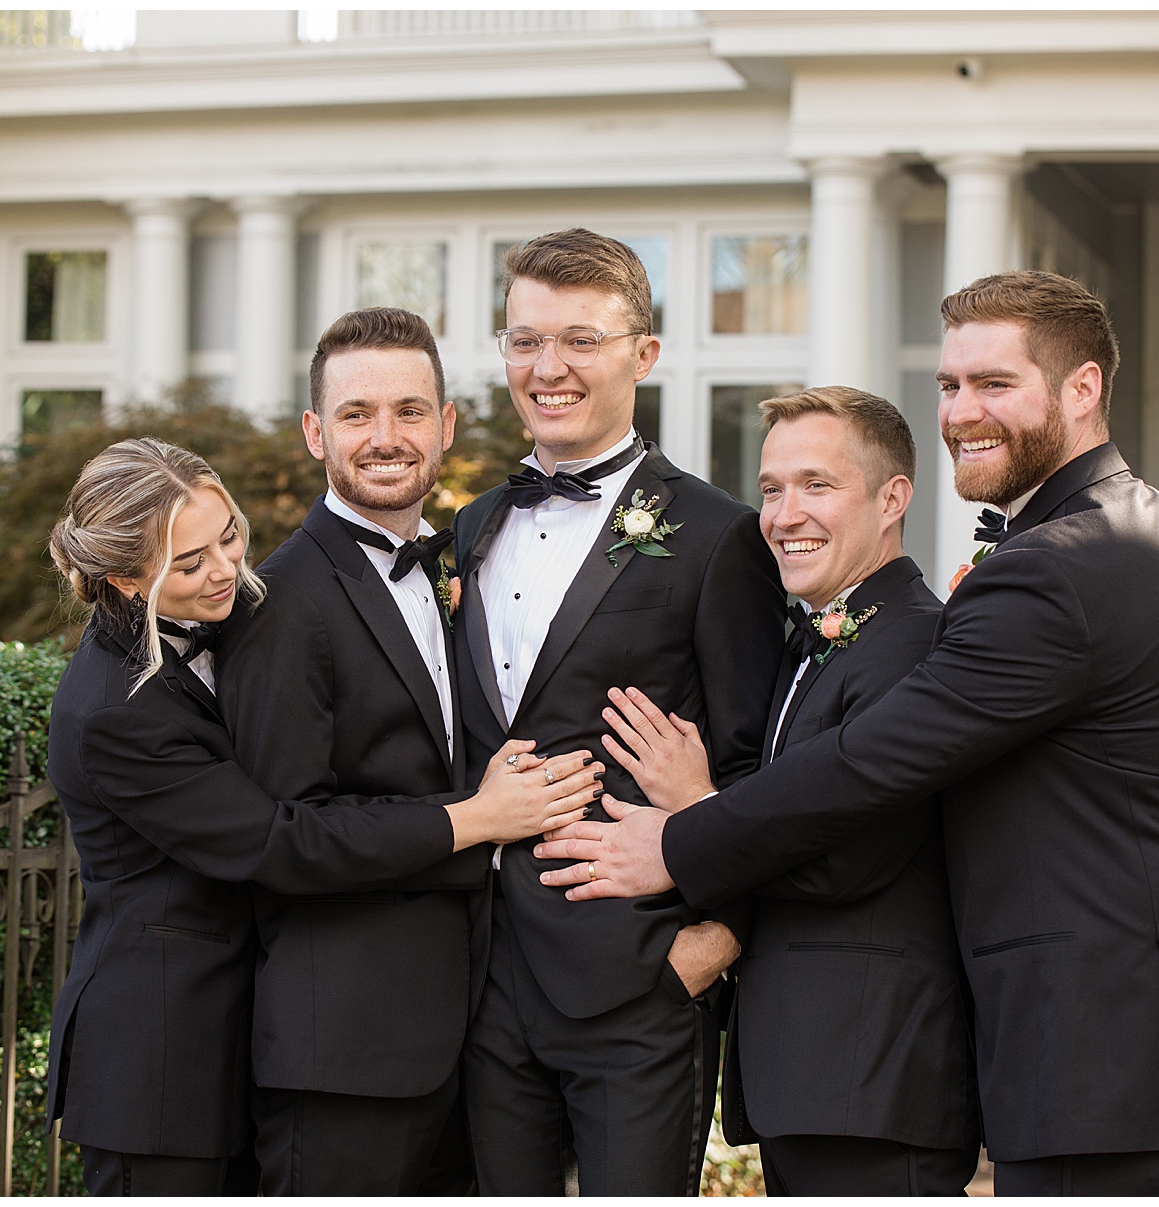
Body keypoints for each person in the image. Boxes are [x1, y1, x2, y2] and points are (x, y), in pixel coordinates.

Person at [537, 271, 1159, 1196]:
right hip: (1149, 1048)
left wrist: (684, 836)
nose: (963, 411)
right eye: (949, 385)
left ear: (1082, 390)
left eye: (995, 384)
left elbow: (871, 763)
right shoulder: (1128, 530)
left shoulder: (1065, 566)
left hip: (1111, 1054)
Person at [43, 437, 601, 1196]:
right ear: (122, 580)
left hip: (243, 1029)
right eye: (188, 562)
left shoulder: (220, 623)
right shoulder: (112, 709)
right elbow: (277, 839)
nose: (224, 570)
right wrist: (474, 818)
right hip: (161, 1054)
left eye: (228, 536)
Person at [451, 228, 786, 1196]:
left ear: (643, 354)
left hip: (641, 979)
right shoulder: (469, 528)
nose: (546, 367)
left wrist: (717, 939)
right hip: (479, 983)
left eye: (579, 341)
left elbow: (766, 758)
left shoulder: (720, 537)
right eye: (524, 340)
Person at [595, 386, 980, 1195]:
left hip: (873, 1075)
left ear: (892, 500)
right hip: (822, 1077)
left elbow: (849, 856)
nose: (782, 513)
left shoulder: (915, 643)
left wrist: (697, 810)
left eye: (816, 485)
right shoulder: (822, 637)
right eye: (771, 489)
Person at [217, 307, 482, 1194]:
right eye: (357, 413)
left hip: (465, 1042)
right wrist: (468, 822)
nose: (385, 437)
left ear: (445, 426)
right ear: (315, 432)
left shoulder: (459, 571)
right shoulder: (283, 600)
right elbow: (287, 834)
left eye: (410, 411)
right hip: (343, 1055)